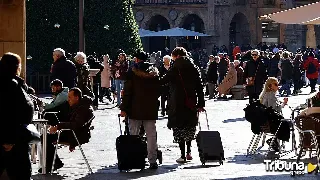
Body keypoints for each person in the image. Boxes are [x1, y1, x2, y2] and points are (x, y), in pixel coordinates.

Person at [160, 47, 205, 163]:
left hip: (177, 102)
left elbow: (163, 81)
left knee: (179, 128)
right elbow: (200, 87)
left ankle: (182, 155)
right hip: (191, 102)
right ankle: (189, 152)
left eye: (173, 57)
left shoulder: (175, 68)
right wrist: (201, 103)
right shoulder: (194, 67)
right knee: (190, 126)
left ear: (177, 56)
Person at [120, 51, 160, 169]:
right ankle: (152, 160)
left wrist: (124, 108)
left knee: (134, 136)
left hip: (134, 109)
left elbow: (127, 93)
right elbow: (159, 89)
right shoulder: (154, 73)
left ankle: (135, 159)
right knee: (151, 136)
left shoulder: (132, 73)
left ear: (137, 60)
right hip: (150, 109)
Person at [40, 88, 94, 173]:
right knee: (45, 136)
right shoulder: (78, 106)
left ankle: (54, 163)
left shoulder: (83, 109)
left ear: (76, 97)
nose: (68, 99)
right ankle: (52, 163)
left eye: (70, 97)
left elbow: (76, 125)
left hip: (76, 135)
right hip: (73, 133)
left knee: (45, 137)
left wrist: (58, 126)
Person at [0, 52, 34, 179]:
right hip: (11, 139)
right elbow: (7, 113)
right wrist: (8, 139)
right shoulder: (8, 84)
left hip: (13, 137)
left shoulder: (12, 82)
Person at [259, 77, 288, 157]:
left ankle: (275, 141)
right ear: (270, 86)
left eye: (278, 84)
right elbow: (275, 110)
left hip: (264, 123)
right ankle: (275, 141)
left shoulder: (264, 94)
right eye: (275, 84)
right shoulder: (271, 95)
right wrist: (283, 104)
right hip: (271, 123)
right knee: (288, 124)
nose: (277, 86)